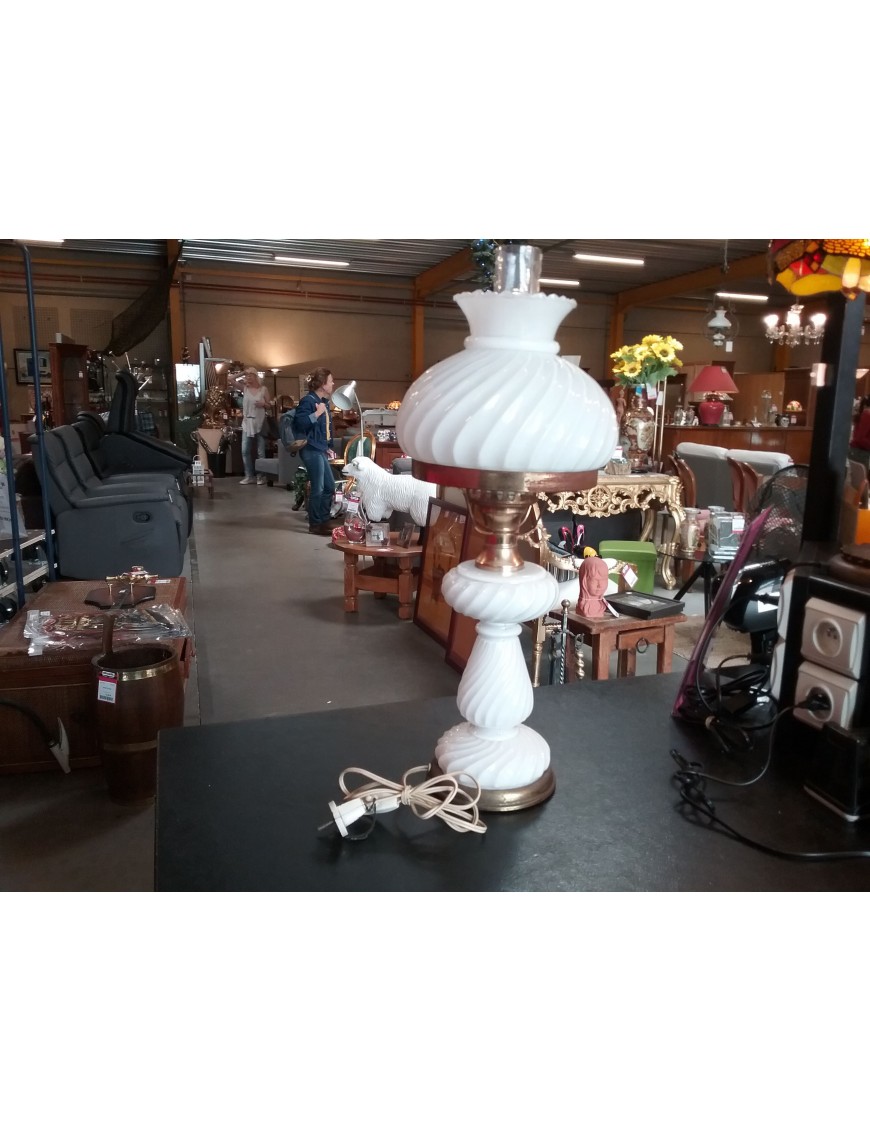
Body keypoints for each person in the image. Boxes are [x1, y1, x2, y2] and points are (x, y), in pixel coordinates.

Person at [295, 367, 339, 535]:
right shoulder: (308, 401)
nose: (333, 384)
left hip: (320, 449)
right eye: (330, 381)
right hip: (310, 449)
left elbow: (325, 429)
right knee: (318, 488)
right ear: (322, 384)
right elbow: (300, 424)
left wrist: (328, 447)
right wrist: (317, 413)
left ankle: (324, 520)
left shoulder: (324, 402)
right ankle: (315, 524)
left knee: (329, 486)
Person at [239, 367, 271, 485]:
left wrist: (263, 404)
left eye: (250, 375)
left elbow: (269, 405)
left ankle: (261, 476)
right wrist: (243, 372)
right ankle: (249, 475)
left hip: (260, 423)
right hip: (247, 423)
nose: (248, 377)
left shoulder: (263, 389)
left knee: (260, 451)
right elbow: (230, 379)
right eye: (246, 375)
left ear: (255, 376)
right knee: (245, 450)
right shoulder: (245, 389)